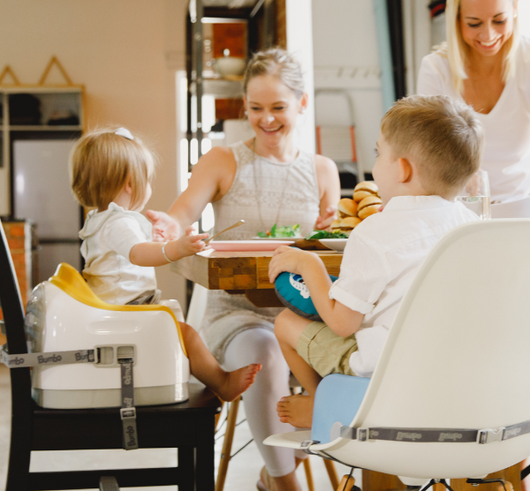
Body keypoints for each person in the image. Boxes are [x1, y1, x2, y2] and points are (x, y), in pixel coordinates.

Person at [147, 48, 341, 491]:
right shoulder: (223, 160)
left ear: (302, 104)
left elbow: (331, 244)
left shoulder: (323, 171)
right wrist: (168, 225)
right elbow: (183, 213)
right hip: (236, 317)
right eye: (256, 109)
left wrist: (331, 227)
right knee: (264, 352)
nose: (266, 119)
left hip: (304, 319)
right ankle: (285, 482)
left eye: (278, 108)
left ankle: (284, 471)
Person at [268, 95, 484, 429]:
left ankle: (325, 405)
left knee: (284, 322)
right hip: (458, 374)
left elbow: (343, 324)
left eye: (378, 153)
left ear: (402, 169)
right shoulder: (473, 227)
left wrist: (310, 266)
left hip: (386, 372)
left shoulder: (374, 232)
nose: (375, 163)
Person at [69, 127, 261, 403]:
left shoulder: (100, 220)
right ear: (129, 183)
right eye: (146, 180)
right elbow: (137, 254)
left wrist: (162, 239)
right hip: (125, 310)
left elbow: (130, 251)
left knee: (178, 329)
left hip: (116, 307)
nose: (149, 187)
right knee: (187, 335)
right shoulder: (118, 222)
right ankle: (223, 382)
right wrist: (176, 248)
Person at [417, 0, 528, 204]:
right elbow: (427, 156)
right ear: (456, 18)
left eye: (499, 20)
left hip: (521, 206)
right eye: (474, 23)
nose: (488, 35)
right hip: (457, 210)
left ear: (515, 7)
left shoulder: (527, 62)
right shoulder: (435, 70)